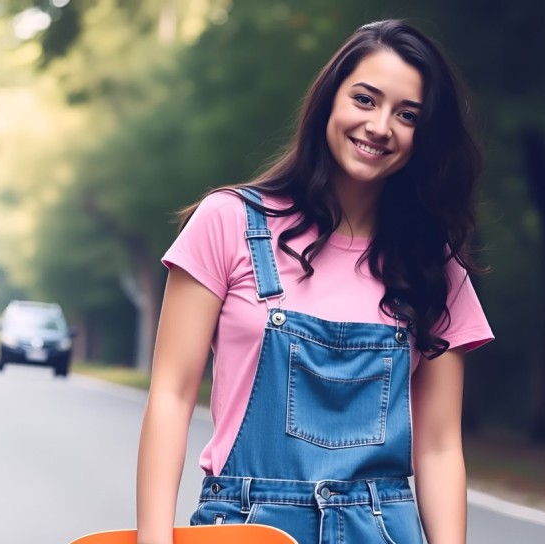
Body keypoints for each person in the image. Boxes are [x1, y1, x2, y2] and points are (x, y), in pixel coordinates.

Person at [136, 18, 493, 544]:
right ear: (329, 99)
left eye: (407, 115)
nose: (380, 126)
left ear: (425, 136)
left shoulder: (433, 266)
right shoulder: (228, 222)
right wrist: (152, 539)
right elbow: (171, 393)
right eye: (365, 100)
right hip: (247, 529)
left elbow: (439, 448)